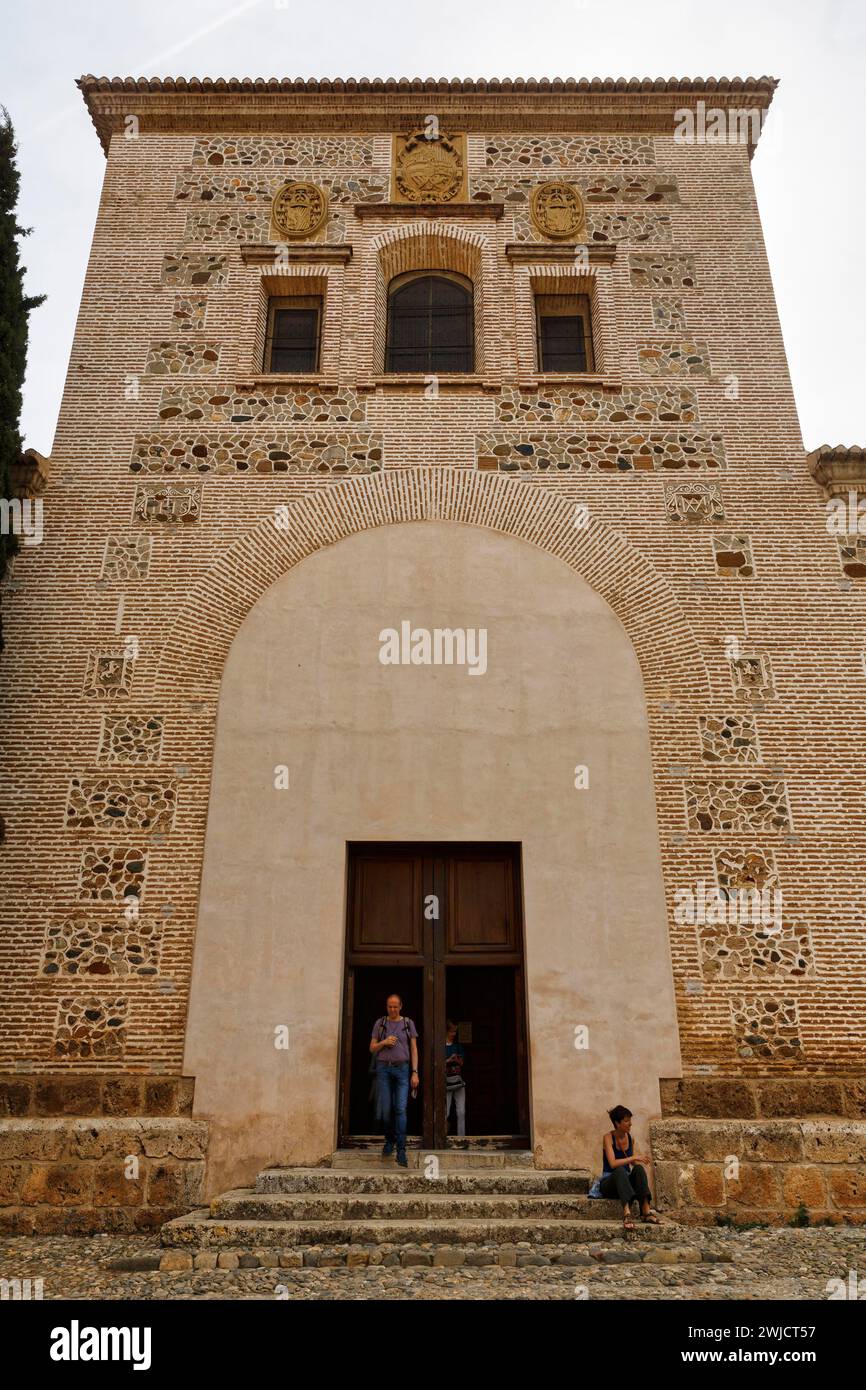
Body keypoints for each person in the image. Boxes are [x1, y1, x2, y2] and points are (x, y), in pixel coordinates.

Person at [369, 993, 419, 1168]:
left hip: (402, 1068)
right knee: (386, 1108)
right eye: (390, 1006)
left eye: (395, 1006)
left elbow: (413, 1048)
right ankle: (389, 1140)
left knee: (400, 1108)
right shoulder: (380, 1023)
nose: (392, 1009)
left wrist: (415, 1072)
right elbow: (372, 1048)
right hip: (383, 1068)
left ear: (401, 1006)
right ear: (386, 1006)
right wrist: (384, 1042)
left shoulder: (408, 1023)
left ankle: (401, 1149)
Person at [598, 1104, 659, 1232]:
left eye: (630, 1120)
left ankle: (646, 1212)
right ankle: (626, 1213)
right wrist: (634, 1158)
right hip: (609, 1182)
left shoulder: (630, 1138)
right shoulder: (608, 1138)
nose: (630, 1124)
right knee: (620, 1170)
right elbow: (613, 1163)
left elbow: (632, 1163)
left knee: (638, 1169)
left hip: (624, 1182)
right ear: (617, 1123)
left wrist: (639, 1165)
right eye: (626, 1121)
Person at [444, 1019, 466, 1136]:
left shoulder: (458, 1046)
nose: (454, 1034)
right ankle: (442, 1136)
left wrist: (457, 1059)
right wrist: (448, 1060)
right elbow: (436, 1064)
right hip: (446, 1083)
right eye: (452, 1032)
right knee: (445, 1112)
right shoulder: (440, 1047)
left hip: (458, 1082)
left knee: (461, 1112)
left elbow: (462, 1062)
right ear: (446, 1031)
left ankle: (461, 1137)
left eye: (455, 1032)